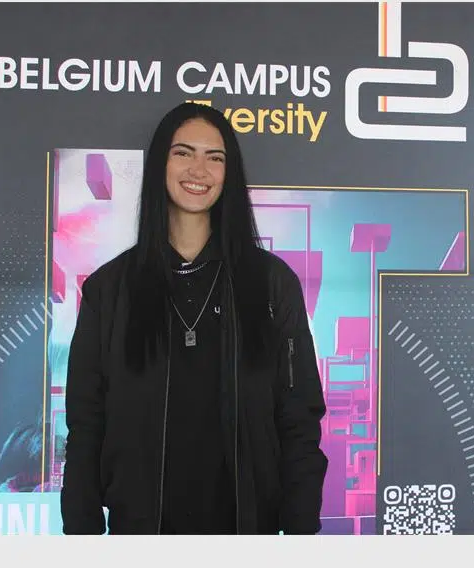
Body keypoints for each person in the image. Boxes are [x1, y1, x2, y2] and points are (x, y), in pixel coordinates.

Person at [60, 102, 328, 535]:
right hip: (140, 538)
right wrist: (82, 539)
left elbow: (298, 420)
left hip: (248, 536)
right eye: (183, 153)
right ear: (160, 164)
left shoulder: (272, 284)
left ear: (230, 173)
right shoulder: (109, 290)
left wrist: (298, 539)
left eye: (215, 158)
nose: (198, 170)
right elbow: (86, 426)